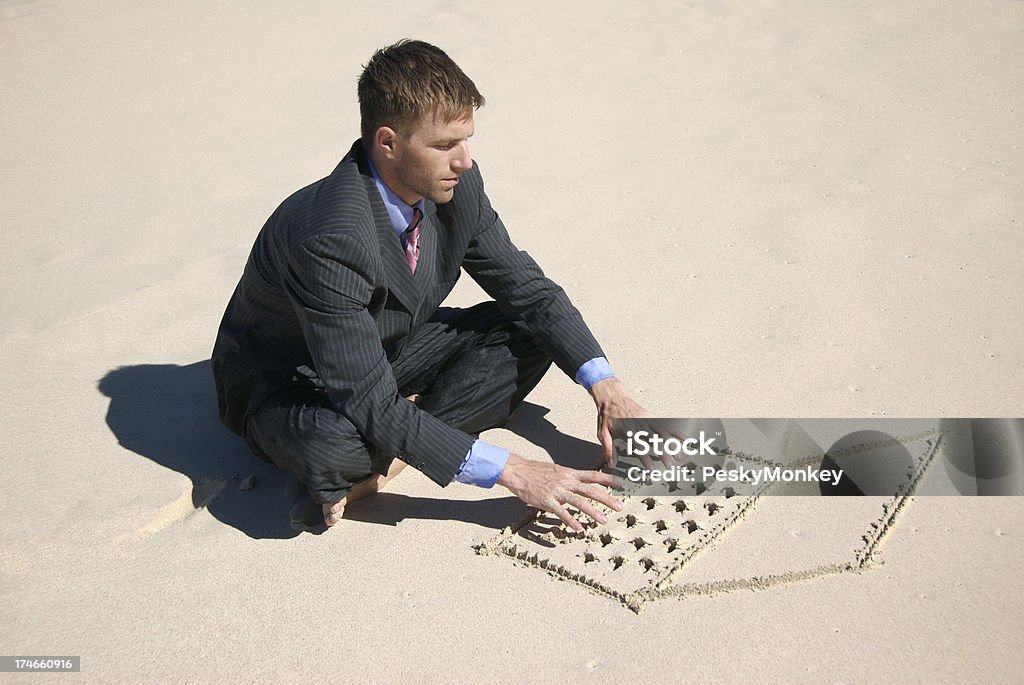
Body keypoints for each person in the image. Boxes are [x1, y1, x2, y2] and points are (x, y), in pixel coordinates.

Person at [211, 39, 647, 531]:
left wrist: (607, 388)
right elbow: (366, 400)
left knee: (528, 329)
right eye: (444, 145)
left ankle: (399, 453)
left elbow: (529, 290)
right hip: (295, 379)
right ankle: (393, 450)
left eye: (466, 140)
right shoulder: (331, 236)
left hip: (390, 346)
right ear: (388, 142)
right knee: (333, 447)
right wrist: (516, 471)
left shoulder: (456, 185)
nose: (463, 160)